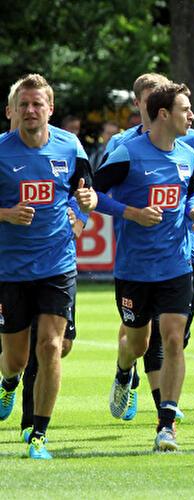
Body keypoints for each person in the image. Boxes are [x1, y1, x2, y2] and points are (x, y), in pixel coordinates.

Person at [96, 73, 194, 422]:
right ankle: (125, 371)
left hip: (176, 264)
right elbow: (92, 195)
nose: (192, 116)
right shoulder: (125, 152)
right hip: (134, 267)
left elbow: (186, 197)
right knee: (137, 344)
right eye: (185, 109)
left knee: (173, 341)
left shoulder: (190, 154)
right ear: (163, 114)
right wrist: (132, 214)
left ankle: (166, 424)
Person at [0, 74, 96, 459]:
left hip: (57, 264)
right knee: (17, 358)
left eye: (37, 103)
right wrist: (6, 214)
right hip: (10, 270)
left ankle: (39, 434)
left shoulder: (70, 145)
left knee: (52, 345)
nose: (30, 110)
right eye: (24, 104)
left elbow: (85, 190)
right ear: (14, 109)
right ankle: (8, 383)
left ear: (50, 108)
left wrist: (86, 204)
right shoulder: (2, 150)